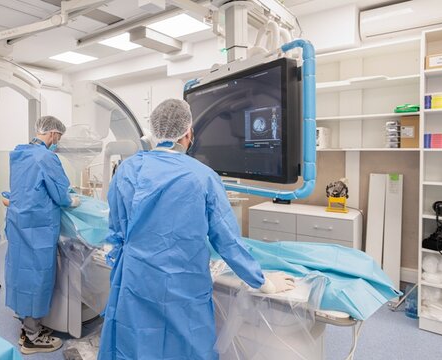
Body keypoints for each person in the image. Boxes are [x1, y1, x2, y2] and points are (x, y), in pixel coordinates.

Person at [98, 99, 295, 360]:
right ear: (188, 133)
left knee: (136, 344)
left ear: (155, 133)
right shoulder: (202, 176)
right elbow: (227, 240)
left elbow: (116, 229)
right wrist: (263, 282)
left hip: (136, 280)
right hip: (183, 284)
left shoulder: (127, 170)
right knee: (185, 348)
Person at [4, 115, 80, 354]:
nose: (58, 141)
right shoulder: (47, 157)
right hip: (38, 227)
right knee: (37, 275)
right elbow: (60, 194)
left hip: (19, 222)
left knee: (20, 271)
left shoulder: (20, 153)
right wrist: (72, 200)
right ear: (53, 134)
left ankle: (27, 322)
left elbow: (25, 187)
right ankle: (31, 336)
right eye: (58, 137)